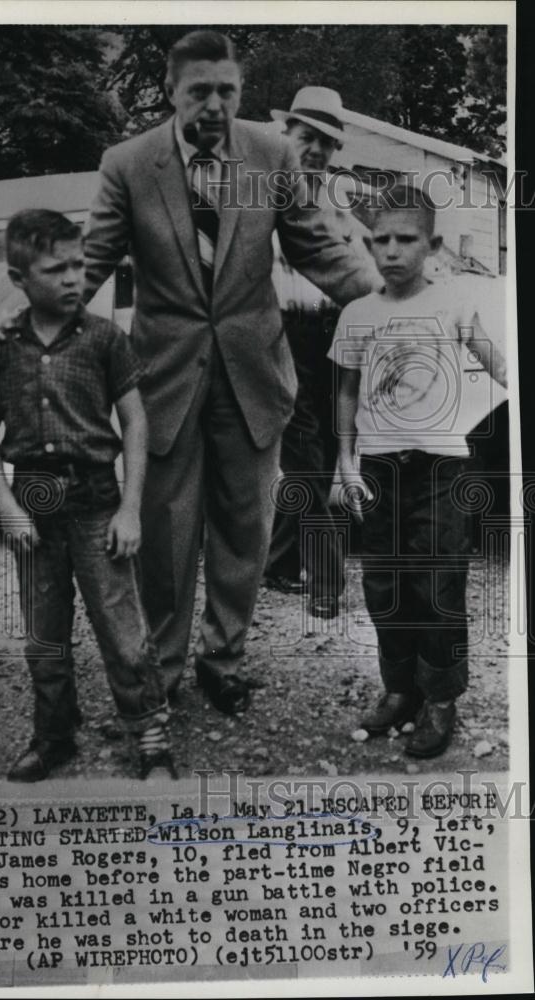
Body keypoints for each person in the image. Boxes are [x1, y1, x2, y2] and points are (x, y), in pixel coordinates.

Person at [83, 31, 377, 715]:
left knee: (245, 529)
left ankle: (224, 658)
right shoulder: (128, 164)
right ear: (170, 91)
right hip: (163, 378)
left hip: (253, 373)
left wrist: (393, 300)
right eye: (199, 92)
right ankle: (162, 665)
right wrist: (31, 324)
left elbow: (318, 248)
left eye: (227, 91)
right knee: (165, 533)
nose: (214, 105)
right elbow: (90, 259)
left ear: (241, 93)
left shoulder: (272, 155)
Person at [0, 210, 174, 781]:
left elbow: (135, 422)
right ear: (19, 278)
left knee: (123, 632)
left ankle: (151, 736)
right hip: (31, 510)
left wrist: (130, 508)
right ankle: (53, 735)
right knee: (44, 634)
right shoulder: (7, 346)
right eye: (55, 269)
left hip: (95, 502)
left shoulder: (106, 338)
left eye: (79, 266)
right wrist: (5, 506)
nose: (71, 279)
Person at [330, 183, 507, 758]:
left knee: (437, 583)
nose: (392, 251)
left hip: (441, 468)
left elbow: (498, 363)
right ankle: (399, 690)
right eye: (381, 239)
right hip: (378, 468)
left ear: (431, 245)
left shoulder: (453, 302)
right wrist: (345, 463)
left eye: (406, 239)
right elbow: (346, 392)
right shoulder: (358, 314)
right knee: (384, 584)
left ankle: (440, 699)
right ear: (368, 245)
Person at [265, 87, 375, 617]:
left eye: (326, 143)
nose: (315, 150)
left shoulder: (338, 199)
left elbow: (366, 258)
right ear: (286, 133)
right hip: (281, 333)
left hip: (332, 334)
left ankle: (279, 562)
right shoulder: (259, 191)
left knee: (324, 456)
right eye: (307, 136)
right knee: (306, 464)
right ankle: (328, 583)